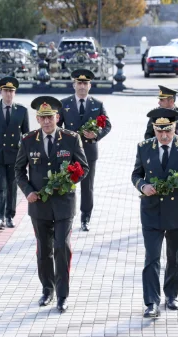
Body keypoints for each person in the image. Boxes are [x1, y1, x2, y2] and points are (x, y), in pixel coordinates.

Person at [15, 96, 89, 312]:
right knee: (44, 249)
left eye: (51, 117)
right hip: (39, 204)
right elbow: (19, 170)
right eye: (43, 118)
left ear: (57, 117)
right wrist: (27, 191)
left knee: (61, 247)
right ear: (37, 119)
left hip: (64, 203)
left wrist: (69, 181)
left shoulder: (71, 138)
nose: (47, 122)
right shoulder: (28, 140)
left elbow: (83, 168)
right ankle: (47, 289)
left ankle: (62, 294)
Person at [131, 108, 178, 318]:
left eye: (168, 131)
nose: (164, 136)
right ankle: (151, 302)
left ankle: (171, 295)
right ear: (154, 128)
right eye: (159, 131)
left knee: (174, 256)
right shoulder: (144, 147)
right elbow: (136, 174)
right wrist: (142, 185)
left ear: (174, 128)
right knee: (152, 257)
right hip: (151, 211)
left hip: (177, 210)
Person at [57, 69, 112, 232]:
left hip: (89, 151)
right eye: (79, 83)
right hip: (69, 152)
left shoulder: (97, 104)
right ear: (74, 85)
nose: (82, 86)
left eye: (85, 83)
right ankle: (66, 216)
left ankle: (85, 217)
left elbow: (107, 125)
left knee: (87, 186)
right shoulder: (64, 103)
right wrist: (66, 138)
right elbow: (57, 127)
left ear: (90, 85)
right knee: (67, 184)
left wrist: (96, 134)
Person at [0, 77, 29, 229]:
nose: (9, 94)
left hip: (15, 155)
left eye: (12, 91)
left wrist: (27, 157)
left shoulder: (22, 111)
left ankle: (10, 216)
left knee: (12, 186)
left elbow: (26, 136)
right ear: (0, 92)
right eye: (6, 91)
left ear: (15, 93)